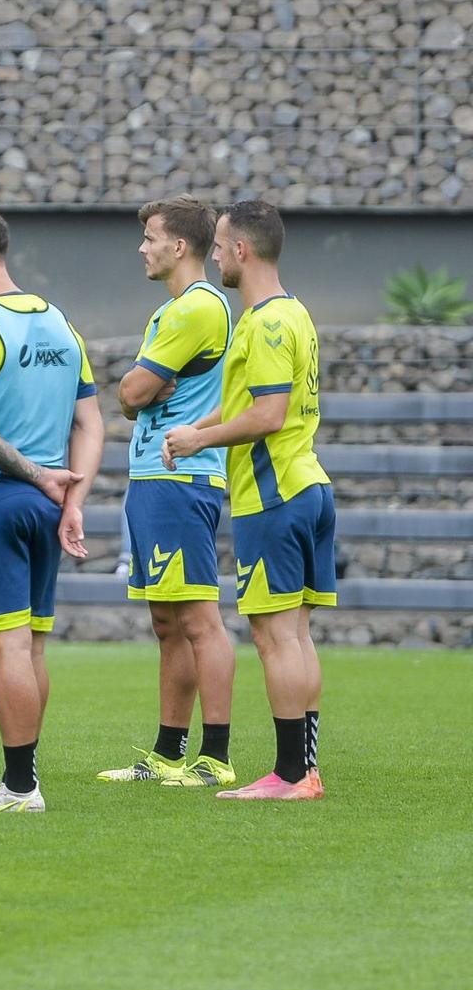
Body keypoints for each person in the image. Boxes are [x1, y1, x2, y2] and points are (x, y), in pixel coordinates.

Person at [164, 201, 334, 802]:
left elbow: (267, 414)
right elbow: (248, 400)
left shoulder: (261, 323)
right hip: (308, 483)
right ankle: (306, 769)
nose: (212, 255)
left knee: (275, 638)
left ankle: (289, 776)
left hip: (273, 495)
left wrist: (199, 437)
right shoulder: (295, 314)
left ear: (241, 250)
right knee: (298, 635)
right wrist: (198, 429)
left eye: (217, 245)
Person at [0, 209, 103, 813]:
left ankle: (19, 787)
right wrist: (70, 498)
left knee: (6, 648)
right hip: (47, 504)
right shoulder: (61, 324)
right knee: (31, 645)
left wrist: (34, 474)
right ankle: (26, 778)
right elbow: (91, 422)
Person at [99, 196, 238, 789]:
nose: (142, 247)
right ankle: (167, 753)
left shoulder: (196, 308)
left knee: (200, 619)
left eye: (151, 237)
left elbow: (129, 392)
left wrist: (142, 392)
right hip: (157, 479)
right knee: (167, 620)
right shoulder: (179, 309)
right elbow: (135, 395)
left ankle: (215, 758)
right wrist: (142, 393)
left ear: (179, 246)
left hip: (181, 479)